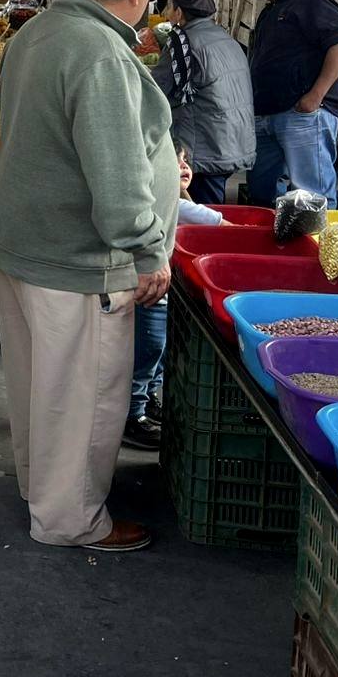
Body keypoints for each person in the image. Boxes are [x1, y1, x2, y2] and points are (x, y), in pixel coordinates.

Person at [0, 0, 178, 554]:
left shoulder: (38, 32)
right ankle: (71, 519)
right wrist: (148, 250)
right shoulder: (100, 53)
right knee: (82, 398)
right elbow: (116, 175)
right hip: (78, 257)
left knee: (41, 385)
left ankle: (42, 489)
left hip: (27, 240)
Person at [124, 142, 226, 453]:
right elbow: (203, 217)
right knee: (148, 348)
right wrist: (228, 224)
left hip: (164, 288)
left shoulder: (177, 198)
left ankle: (147, 399)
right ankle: (132, 413)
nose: (183, 168)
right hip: (148, 287)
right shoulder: (165, 201)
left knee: (160, 351)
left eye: (185, 162)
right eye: (175, 161)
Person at [246, 0, 338, 207]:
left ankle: (315, 235)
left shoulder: (313, 2)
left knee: (312, 196)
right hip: (267, 114)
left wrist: (315, 97)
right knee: (262, 194)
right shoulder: (272, 10)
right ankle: (271, 233)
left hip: (302, 115)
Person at [152, 0, 254, 205]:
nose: (167, 13)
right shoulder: (225, 38)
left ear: (179, 12)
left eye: (169, 7)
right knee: (211, 208)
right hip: (233, 141)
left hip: (204, 147)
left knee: (201, 215)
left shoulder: (182, 41)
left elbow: (156, 90)